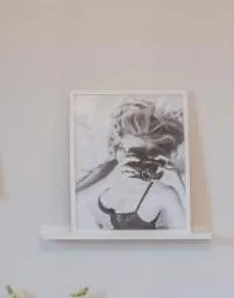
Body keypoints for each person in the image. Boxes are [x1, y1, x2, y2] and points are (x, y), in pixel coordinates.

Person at [74, 98, 187, 231]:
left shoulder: (162, 193)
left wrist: (179, 185)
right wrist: (108, 181)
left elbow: (185, 235)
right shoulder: (106, 171)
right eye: (128, 151)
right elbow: (72, 207)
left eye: (143, 156)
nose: (135, 161)